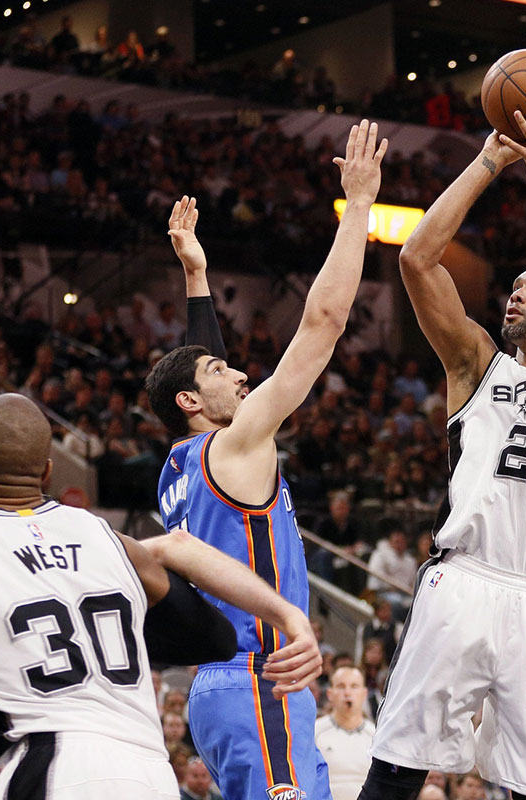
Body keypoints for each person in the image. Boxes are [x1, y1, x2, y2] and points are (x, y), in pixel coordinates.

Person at [359, 98, 526, 800]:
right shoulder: (477, 364)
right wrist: (488, 161)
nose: (515, 296)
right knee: (399, 765)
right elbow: (418, 258)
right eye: (512, 287)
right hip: (465, 578)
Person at [0, 394, 321, 798]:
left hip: (53, 765)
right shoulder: (103, 538)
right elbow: (182, 550)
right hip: (148, 769)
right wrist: (289, 615)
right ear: (48, 472)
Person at [147, 120, 386, 800]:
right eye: (226, 370)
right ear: (193, 399)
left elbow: (196, 371)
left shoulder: (180, 463)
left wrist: (197, 275)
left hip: (226, 689)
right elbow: (324, 322)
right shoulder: (238, 444)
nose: (244, 376)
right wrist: (360, 206)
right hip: (261, 679)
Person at [315, 666, 375, 800]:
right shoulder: (315, 732)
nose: (347, 692)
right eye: (341, 686)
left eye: (354, 686)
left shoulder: (376, 736)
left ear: (364, 694)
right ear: (330, 694)